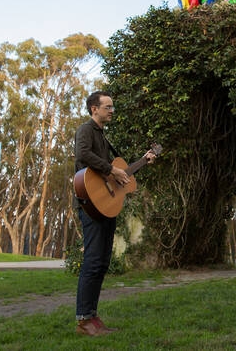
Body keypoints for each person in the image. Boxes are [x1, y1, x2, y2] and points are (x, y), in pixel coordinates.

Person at [74, 90, 157, 337]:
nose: (112, 111)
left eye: (112, 107)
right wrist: (112, 169)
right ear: (94, 109)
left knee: (101, 262)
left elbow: (118, 177)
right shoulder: (86, 130)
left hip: (106, 206)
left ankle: (92, 316)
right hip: (90, 203)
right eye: (107, 107)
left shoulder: (103, 136)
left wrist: (142, 162)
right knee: (92, 261)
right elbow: (83, 155)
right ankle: (83, 320)